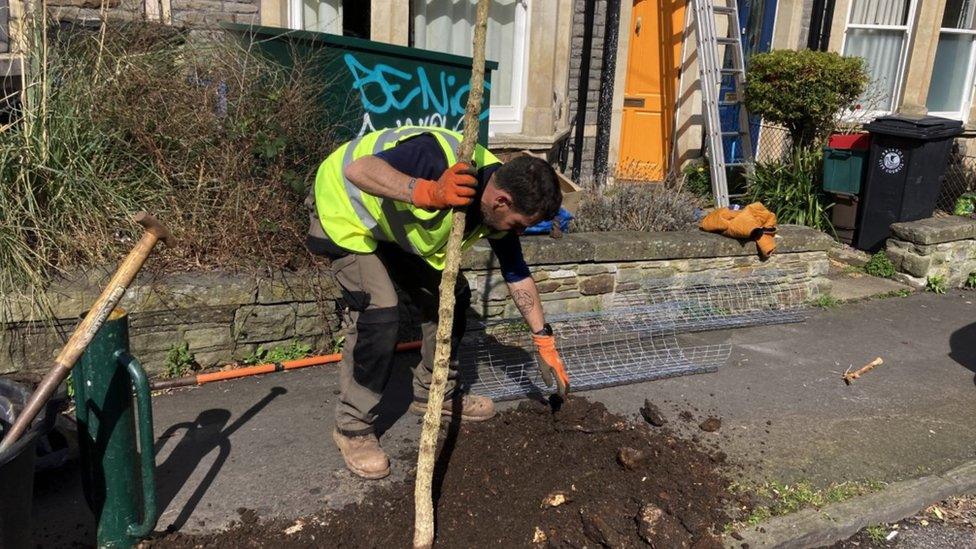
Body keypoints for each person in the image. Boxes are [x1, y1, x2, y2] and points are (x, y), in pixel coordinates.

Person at [305, 125, 570, 480]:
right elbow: (358, 171)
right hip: (346, 214)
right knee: (380, 313)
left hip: (393, 230)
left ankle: (434, 393)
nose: (519, 232)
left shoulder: (499, 205)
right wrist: (428, 191)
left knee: (454, 298)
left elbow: (516, 273)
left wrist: (543, 339)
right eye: (520, 224)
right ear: (502, 201)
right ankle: (352, 426)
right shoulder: (437, 156)